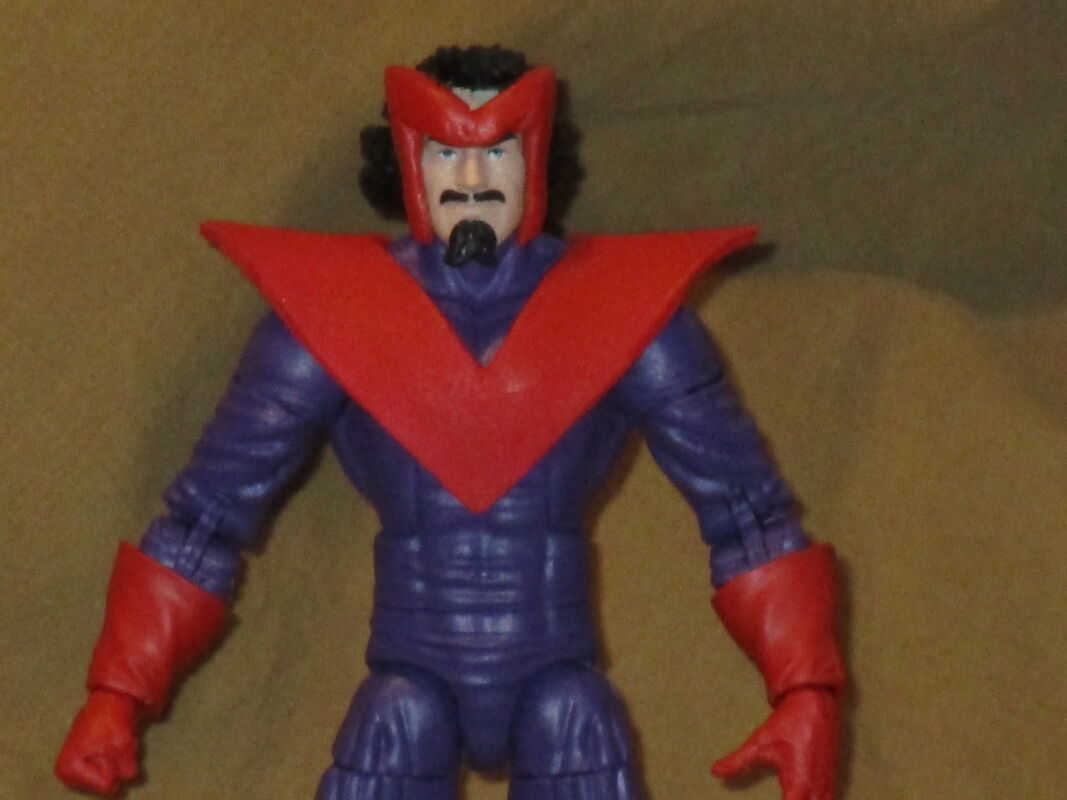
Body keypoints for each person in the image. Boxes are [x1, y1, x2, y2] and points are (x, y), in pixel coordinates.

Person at [56, 45, 845, 800]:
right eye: (445, 150)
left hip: (558, 676)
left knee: (571, 720)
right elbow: (207, 514)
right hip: (408, 680)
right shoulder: (328, 316)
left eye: (496, 150)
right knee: (398, 722)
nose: (471, 177)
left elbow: (747, 512)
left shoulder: (634, 316)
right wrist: (119, 692)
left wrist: (804, 686)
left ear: (535, 159)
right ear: (407, 161)